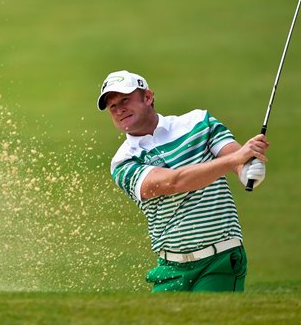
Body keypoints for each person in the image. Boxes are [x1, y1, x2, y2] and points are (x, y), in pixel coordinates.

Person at [97, 70, 269, 292]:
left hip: (219, 261)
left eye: (125, 100)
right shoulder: (122, 161)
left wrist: (248, 168)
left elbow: (235, 158)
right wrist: (237, 159)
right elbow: (172, 183)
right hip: (170, 268)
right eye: (112, 107)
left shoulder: (199, 122)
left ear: (148, 97)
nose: (119, 110)